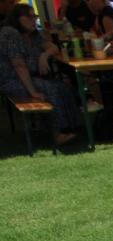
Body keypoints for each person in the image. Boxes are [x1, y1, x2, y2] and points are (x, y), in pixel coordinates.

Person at [0, 3, 79, 146]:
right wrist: (33, 92)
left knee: (63, 86)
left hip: (30, 78)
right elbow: (19, 65)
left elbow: (53, 47)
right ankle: (57, 133)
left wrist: (44, 55)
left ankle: (72, 126)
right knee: (51, 89)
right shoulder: (10, 33)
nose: (34, 20)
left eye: (34, 16)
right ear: (17, 18)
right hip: (13, 80)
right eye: (29, 17)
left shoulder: (33, 34)